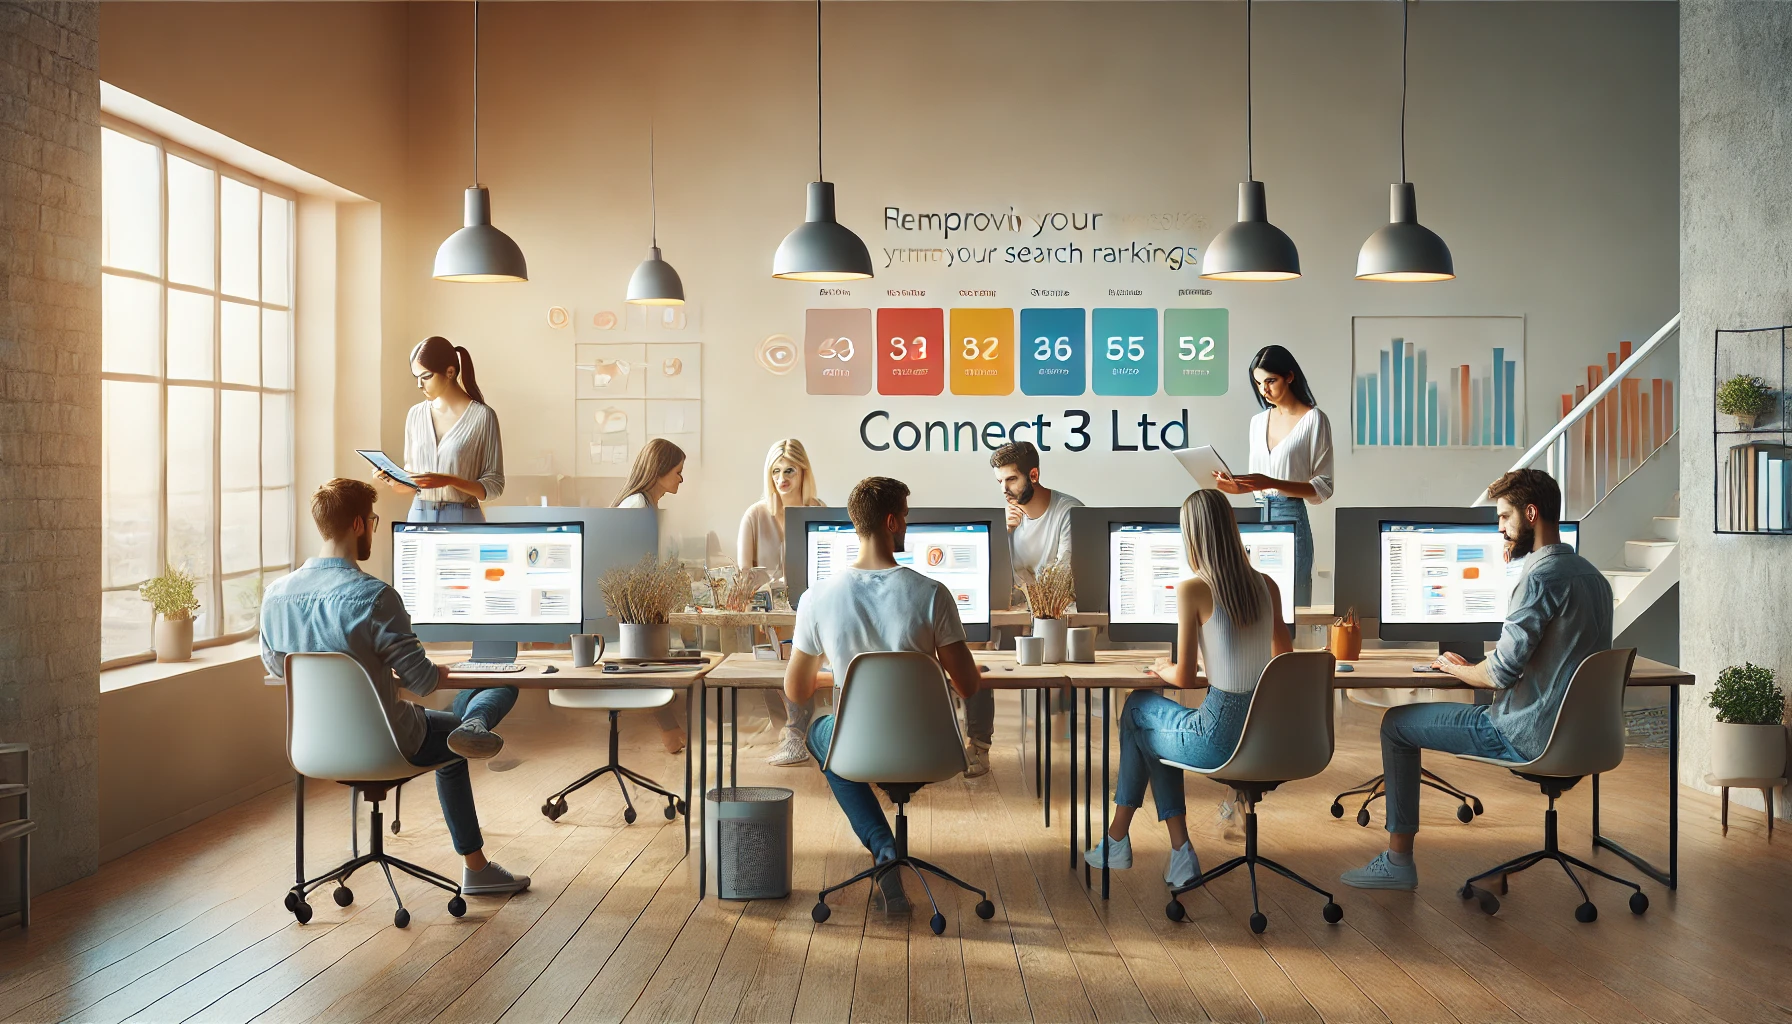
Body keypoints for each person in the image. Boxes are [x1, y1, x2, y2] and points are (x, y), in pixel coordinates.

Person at [1341, 469, 1613, 891]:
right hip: (1587, 739)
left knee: (1395, 724)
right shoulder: (1594, 579)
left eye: (1505, 517)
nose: (1500, 528)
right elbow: (1553, 657)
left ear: (1531, 512)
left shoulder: (1539, 579)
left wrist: (1455, 668)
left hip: (1525, 733)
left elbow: (1500, 673)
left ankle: (1398, 862)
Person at [261, 479, 529, 897]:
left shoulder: (275, 597)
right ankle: (476, 870)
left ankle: (470, 722)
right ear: (357, 524)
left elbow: (279, 669)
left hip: (311, 749)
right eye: (372, 520)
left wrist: (364, 676)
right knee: (488, 701)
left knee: (456, 720)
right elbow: (421, 682)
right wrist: (436, 668)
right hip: (387, 743)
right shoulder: (375, 597)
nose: (372, 525)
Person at [783, 476, 984, 915]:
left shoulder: (817, 597)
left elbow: (796, 691)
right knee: (830, 733)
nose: (907, 525)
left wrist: (841, 671)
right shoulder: (932, 594)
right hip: (932, 748)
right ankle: (885, 849)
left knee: (822, 731)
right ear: (892, 522)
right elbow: (969, 685)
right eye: (906, 517)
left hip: (858, 747)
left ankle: (883, 848)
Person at [1082, 489, 1292, 889]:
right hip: (1265, 737)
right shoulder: (1267, 584)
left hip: (1218, 737)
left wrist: (1164, 665)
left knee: (1139, 709)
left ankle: (1128, 841)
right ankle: (1140, 845)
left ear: (1192, 536)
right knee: (1150, 732)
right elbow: (1284, 660)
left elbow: (1182, 678)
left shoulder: (1193, 588)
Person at [968, 441, 1083, 778]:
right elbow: (995, 583)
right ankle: (979, 745)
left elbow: (1065, 578)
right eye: (1000, 482)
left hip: (1061, 616)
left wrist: (1025, 591)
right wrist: (1002, 534)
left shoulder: (1068, 512)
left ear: (1033, 474)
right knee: (975, 653)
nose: (1004, 490)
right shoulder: (1007, 521)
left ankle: (1058, 741)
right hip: (1018, 615)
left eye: (1011, 480)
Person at [1214, 345, 1333, 608]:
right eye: (1258, 383)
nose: (1264, 390)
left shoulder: (1314, 420)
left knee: (1292, 605)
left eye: (1270, 381)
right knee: (1254, 603)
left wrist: (1270, 482)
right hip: (1255, 521)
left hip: (1291, 520)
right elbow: (1258, 485)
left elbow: (1323, 488)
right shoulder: (1257, 422)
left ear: (1289, 376)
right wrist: (1233, 487)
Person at [737, 439, 827, 767]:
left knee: (801, 642)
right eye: (775, 471)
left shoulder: (819, 512)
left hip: (811, 611)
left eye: (789, 469)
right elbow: (744, 577)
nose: (782, 478)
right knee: (782, 640)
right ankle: (793, 732)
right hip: (767, 616)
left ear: (803, 471)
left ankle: (795, 733)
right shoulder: (755, 515)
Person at [614, 438, 690, 754]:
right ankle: (671, 731)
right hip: (633, 613)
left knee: (681, 651)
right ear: (659, 471)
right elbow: (629, 565)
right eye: (678, 471)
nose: (681, 479)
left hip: (645, 608)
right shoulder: (635, 507)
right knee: (664, 658)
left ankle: (674, 730)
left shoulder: (648, 505)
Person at [379, 336, 506, 524]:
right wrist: (393, 480)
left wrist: (451, 480)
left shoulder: (483, 417)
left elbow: (494, 485)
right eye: (417, 378)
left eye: (426, 377)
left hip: (463, 518)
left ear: (450, 372)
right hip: (419, 516)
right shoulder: (415, 415)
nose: (419, 385)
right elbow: (415, 483)